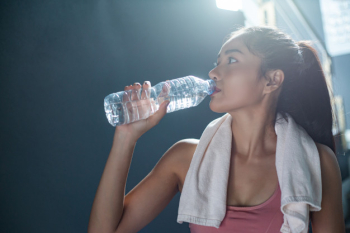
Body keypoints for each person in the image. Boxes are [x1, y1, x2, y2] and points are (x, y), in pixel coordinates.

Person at [88, 26, 345, 233]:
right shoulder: (186, 158)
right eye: (217, 61)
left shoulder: (316, 161)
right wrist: (126, 138)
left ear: (271, 80)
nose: (213, 72)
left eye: (232, 60)